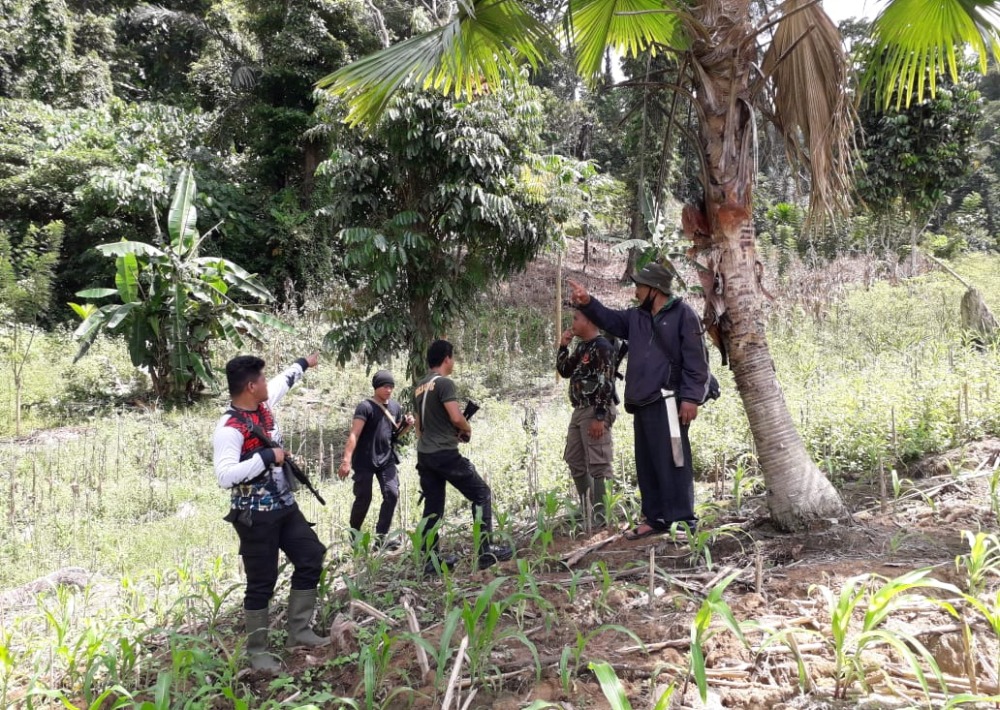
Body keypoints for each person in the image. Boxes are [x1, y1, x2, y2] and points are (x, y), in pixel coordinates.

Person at [567, 263, 710, 540]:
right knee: (646, 461)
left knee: (674, 460)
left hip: (669, 401)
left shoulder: (683, 315)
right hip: (642, 401)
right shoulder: (637, 317)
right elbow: (609, 319)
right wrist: (588, 302)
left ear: (654, 290)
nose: (635, 291)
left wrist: (691, 398)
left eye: (640, 286)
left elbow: (697, 361)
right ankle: (655, 518)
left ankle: (682, 520)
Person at [213, 353, 329, 672]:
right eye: (261, 379)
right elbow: (224, 476)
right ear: (251, 387)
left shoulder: (263, 404)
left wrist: (304, 363)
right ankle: (258, 651)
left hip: (283, 506)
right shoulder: (229, 428)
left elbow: (283, 381)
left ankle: (299, 630)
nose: (267, 382)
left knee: (311, 555)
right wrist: (265, 457)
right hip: (253, 515)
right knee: (261, 581)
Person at [413, 339, 513, 573]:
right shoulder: (445, 384)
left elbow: (420, 426)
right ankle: (485, 552)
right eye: (453, 357)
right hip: (445, 454)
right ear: (447, 358)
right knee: (481, 493)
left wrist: (444, 435)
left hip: (425, 455)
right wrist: (466, 429)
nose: (453, 361)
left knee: (433, 506)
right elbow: (456, 417)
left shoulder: (419, 386)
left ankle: (430, 561)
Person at [337, 369, 414, 549]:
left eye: (391, 387)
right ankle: (354, 537)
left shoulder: (395, 407)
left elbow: (395, 435)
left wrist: (407, 426)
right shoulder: (365, 407)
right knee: (363, 499)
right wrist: (346, 460)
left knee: (392, 494)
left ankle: (381, 539)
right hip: (364, 460)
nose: (389, 390)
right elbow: (354, 434)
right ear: (376, 387)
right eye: (385, 386)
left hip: (386, 458)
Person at [556, 308, 617, 526]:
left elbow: (606, 382)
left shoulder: (602, 347)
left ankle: (601, 517)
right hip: (580, 409)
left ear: (590, 321)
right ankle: (587, 511)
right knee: (574, 458)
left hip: (594, 409)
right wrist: (563, 345)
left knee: (598, 461)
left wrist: (600, 416)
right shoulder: (583, 346)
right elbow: (564, 370)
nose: (572, 323)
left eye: (576, 318)